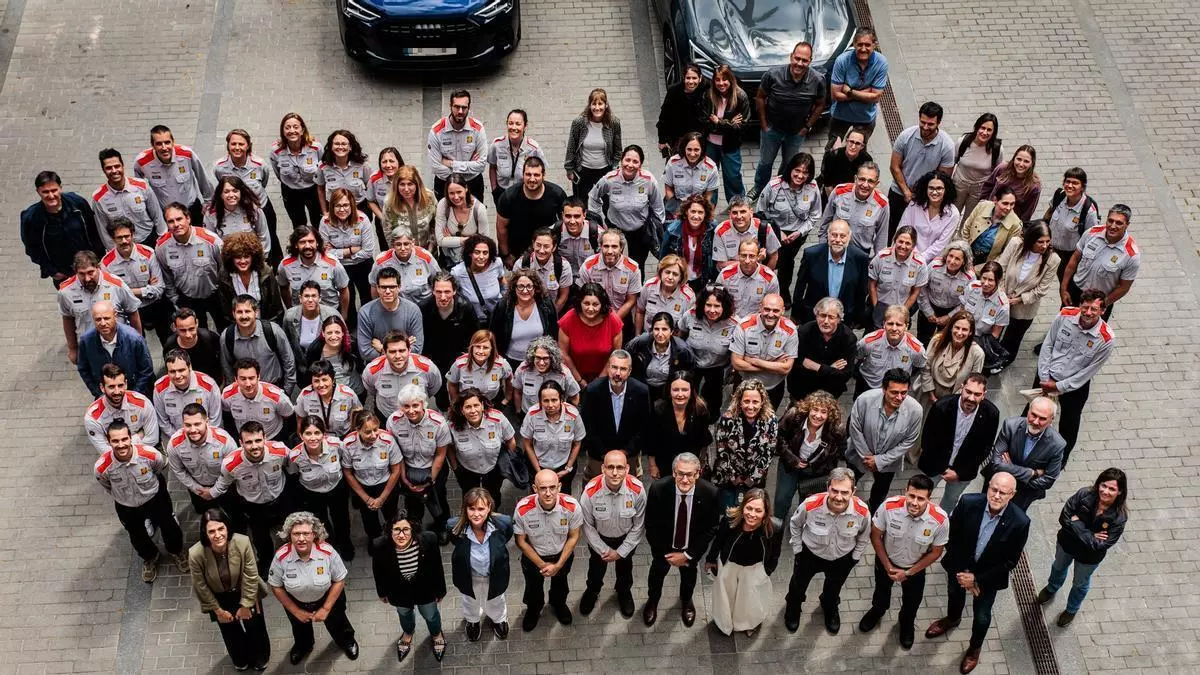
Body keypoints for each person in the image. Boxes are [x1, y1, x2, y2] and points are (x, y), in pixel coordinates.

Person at [924, 472, 1029, 675]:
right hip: (959, 568)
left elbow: (1010, 561)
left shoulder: (1020, 522)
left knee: (982, 616)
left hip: (987, 579)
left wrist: (976, 579)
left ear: (1012, 494)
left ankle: (974, 648)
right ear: (988, 486)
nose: (996, 496)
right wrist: (964, 573)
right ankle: (952, 619)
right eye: (994, 489)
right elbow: (951, 536)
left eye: (1003, 492)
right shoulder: (968, 502)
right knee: (954, 595)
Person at [859, 474, 949, 649]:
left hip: (915, 569)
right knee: (881, 592)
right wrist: (887, 566)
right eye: (911, 495)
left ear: (929, 498)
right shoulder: (889, 507)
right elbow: (875, 536)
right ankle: (877, 611)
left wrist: (908, 572)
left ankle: (906, 623)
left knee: (912, 602)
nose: (914, 502)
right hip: (886, 562)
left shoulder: (940, 520)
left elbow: (936, 552)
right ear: (905, 491)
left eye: (921, 499)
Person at [94, 421, 188, 581]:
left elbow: (158, 469)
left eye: (124, 439)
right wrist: (123, 496)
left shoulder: (150, 455)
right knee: (137, 535)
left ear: (130, 438)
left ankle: (176, 551)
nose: (121, 444)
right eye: (115, 441)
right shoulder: (102, 467)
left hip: (154, 498)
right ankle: (150, 557)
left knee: (169, 526)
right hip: (126, 505)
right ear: (108, 442)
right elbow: (107, 485)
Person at [783, 467, 870, 634]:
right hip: (809, 555)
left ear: (853, 491)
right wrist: (798, 549)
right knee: (797, 586)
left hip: (841, 558)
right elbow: (795, 523)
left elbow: (864, 536)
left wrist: (855, 557)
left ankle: (829, 607)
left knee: (834, 588)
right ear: (827, 487)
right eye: (834, 490)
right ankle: (793, 608)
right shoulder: (810, 505)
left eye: (845, 492)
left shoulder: (862, 512)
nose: (839, 497)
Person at [1037, 467, 1128, 627]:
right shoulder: (1084, 494)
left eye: (1112, 489)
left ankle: (1071, 609)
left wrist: (1077, 524)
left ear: (1119, 492)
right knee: (1058, 567)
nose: (1106, 491)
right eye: (1104, 485)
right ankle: (1052, 587)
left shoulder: (1119, 517)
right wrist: (1091, 535)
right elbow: (1064, 518)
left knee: (1080, 583)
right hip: (1067, 544)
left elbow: (1100, 545)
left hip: (1088, 557)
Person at [268, 511, 359, 665]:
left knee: (339, 622)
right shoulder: (281, 556)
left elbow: (339, 580)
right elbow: (276, 586)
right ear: (289, 535)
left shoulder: (327, 552)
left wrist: (326, 608)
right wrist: (296, 611)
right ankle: (303, 646)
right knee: (299, 627)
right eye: (296, 534)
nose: (301, 538)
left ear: (314, 534)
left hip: (327, 597)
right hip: (296, 601)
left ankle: (346, 641)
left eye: (306, 533)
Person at [1035, 292, 1114, 462]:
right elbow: (1048, 344)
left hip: (1074, 387)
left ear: (1102, 311)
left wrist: (1059, 387)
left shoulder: (1106, 339)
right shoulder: (1065, 315)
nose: (1088, 312)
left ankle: (1059, 461)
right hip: (1046, 376)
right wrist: (1044, 377)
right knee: (1033, 412)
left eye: (1094, 309)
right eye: (1085, 307)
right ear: (1080, 305)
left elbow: (1089, 371)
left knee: (1069, 425)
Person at [642, 452, 719, 627]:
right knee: (656, 576)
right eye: (680, 474)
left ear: (698, 473)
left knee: (689, 578)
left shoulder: (710, 493)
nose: (685, 480)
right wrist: (665, 554)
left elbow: (711, 527)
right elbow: (651, 524)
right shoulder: (658, 489)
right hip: (664, 549)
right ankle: (653, 601)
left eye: (690, 474)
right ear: (673, 473)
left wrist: (688, 555)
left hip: (690, 550)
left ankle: (686, 601)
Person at [188, 508, 270, 671]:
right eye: (211, 531)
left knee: (255, 626)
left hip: (245, 590)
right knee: (230, 631)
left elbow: (250, 575)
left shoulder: (242, 542)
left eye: (221, 529)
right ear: (205, 533)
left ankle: (261, 655)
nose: (217, 535)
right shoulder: (195, 554)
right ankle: (240, 658)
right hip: (219, 597)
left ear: (227, 527)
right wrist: (218, 611)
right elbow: (200, 585)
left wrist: (245, 605)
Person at [210, 421, 292, 575]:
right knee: (260, 539)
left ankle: (291, 559)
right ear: (241, 443)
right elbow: (224, 482)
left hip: (280, 499)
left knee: (291, 530)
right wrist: (210, 493)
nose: (254, 446)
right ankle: (267, 564)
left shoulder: (280, 451)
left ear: (265, 438)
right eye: (248, 442)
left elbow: (291, 468)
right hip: (254, 506)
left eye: (258, 440)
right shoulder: (231, 464)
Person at [750, 42, 827, 199]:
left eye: (804, 60)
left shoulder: (818, 80)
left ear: (810, 61)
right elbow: (760, 97)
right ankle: (759, 188)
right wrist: (764, 124)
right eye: (797, 58)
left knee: (789, 164)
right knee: (765, 162)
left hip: (796, 133)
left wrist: (807, 126)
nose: (799, 63)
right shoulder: (773, 75)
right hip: (772, 129)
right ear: (791, 57)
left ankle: (780, 188)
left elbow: (820, 105)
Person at [705, 488, 783, 636]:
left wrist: (768, 570)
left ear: (765, 512)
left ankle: (749, 623)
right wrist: (711, 559)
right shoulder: (730, 519)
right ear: (743, 507)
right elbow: (718, 541)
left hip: (754, 568)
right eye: (749, 508)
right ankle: (724, 622)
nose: (752, 514)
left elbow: (776, 552)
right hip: (729, 565)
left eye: (758, 510)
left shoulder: (776, 527)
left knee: (750, 598)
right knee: (726, 596)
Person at [579, 449, 646, 619]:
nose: (615, 472)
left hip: (626, 539)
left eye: (620, 467)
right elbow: (587, 526)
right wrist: (604, 550)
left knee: (625, 569)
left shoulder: (637, 490)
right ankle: (592, 591)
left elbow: (639, 525)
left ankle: (623, 592)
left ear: (627, 469)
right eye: (610, 467)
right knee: (595, 570)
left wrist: (621, 552)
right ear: (603, 468)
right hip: (599, 540)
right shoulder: (590, 492)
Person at [372, 513, 448, 663]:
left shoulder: (429, 539)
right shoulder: (380, 545)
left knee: (431, 614)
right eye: (396, 530)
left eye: (405, 529)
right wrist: (382, 592)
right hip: (398, 591)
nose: (401, 535)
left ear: (412, 529)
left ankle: (436, 634)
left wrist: (440, 590)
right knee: (404, 613)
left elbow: (437, 567)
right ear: (390, 530)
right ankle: (408, 632)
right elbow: (378, 571)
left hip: (424, 589)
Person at [513, 468, 583, 631]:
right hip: (534, 557)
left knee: (561, 584)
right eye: (543, 488)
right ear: (535, 488)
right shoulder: (523, 509)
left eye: (552, 487)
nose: (548, 493)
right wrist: (542, 564)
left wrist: (558, 565)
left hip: (561, 555)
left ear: (559, 487)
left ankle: (558, 604)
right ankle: (533, 609)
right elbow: (520, 541)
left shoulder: (572, 506)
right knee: (533, 587)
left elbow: (574, 536)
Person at [845, 368, 924, 513]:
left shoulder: (915, 410)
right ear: (883, 389)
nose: (899, 397)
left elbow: (909, 440)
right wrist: (867, 457)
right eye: (894, 392)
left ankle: (872, 509)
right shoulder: (864, 400)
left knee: (881, 490)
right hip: (858, 456)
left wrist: (880, 461)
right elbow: (855, 428)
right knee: (848, 483)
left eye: (904, 393)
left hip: (889, 463)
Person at [919, 374, 1001, 512]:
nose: (971, 398)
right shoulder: (941, 407)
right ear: (961, 388)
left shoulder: (991, 414)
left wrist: (959, 473)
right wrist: (943, 469)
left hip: (963, 470)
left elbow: (985, 449)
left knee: (951, 499)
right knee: (922, 494)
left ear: (984, 395)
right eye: (968, 392)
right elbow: (928, 441)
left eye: (977, 394)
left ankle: (941, 520)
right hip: (934, 464)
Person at [448, 487, 514, 641]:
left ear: (489, 507)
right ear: (465, 509)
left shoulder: (503, 524)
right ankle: (472, 620)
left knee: (496, 599)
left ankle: (499, 619)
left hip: (494, 575)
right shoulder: (454, 527)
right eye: (472, 509)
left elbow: (506, 537)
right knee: (470, 600)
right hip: (470, 576)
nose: (476, 514)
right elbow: (456, 543)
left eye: (481, 509)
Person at [586, 145, 666, 270]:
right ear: (621, 160)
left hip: (640, 231)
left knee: (637, 266)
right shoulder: (609, 179)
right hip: (615, 229)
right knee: (613, 263)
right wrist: (599, 221)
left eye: (635, 161)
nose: (630, 165)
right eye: (627, 160)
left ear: (640, 165)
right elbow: (593, 196)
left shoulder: (649, 181)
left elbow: (658, 206)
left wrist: (657, 229)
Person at [757, 152, 821, 305]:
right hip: (774, 231)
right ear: (790, 169)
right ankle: (764, 289)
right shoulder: (774, 186)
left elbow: (815, 214)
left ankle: (783, 290)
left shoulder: (812, 187)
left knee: (787, 262)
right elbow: (760, 211)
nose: (800, 176)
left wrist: (799, 233)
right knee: (770, 260)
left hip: (797, 234)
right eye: (797, 170)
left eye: (805, 172)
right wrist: (778, 232)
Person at [23, 170, 104, 287]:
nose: (51, 196)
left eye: (54, 190)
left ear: (60, 188)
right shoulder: (31, 218)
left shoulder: (77, 203)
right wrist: (52, 271)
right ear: (38, 192)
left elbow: (94, 231)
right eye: (45, 192)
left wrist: (99, 259)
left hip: (90, 268)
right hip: (63, 274)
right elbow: (32, 249)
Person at [578, 351, 651, 481]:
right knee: (595, 488)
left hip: (629, 456)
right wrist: (604, 454)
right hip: (599, 456)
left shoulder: (641, 391)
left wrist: (626, 452)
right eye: (614, 367)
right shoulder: (592, 390)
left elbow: (644, 427)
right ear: (608, 368)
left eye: (623, 369)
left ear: (629, 371)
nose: (617, 373)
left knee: (630, 488)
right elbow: (587, 426)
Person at [887, 102, 955, 239]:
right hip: (898, 193)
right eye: (922, 122)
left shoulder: (947, 146)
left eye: (930, 124)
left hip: (924, 198)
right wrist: (906, 192)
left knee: (915, 235)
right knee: (891, 230)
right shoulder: (906, 136)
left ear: (938, 123)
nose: (925, 127)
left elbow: (942, 178)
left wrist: (922, 195)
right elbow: (894, 166)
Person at [983, 398, 1066, 510]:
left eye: (1042, 418)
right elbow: (996, 463)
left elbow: (1047, 481)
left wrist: (1010, 470)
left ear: (1051, 420)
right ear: (1028, 411)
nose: (1036, 422)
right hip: (997, 485)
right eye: (1033, 415)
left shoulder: (1057, 444)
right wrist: (1032, 473)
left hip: (1022, 495)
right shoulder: (1010, 425)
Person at [773, 390, 846, 518]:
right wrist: (791, 458)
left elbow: (835, 456)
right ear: (808, 409)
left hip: (815, 472)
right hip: (789, 466)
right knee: (781, 501)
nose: (818, 415)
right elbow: (778, 437)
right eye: (815, 409)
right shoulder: (794, 416)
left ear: (829, 415)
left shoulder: (836, 430)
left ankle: (801, 525)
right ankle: (777, 525)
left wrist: (819, 471)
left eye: (823, 412)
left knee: (808, 506)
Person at [214, 129, 282, 265]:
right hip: (237, 211)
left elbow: (263, 182)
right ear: (228, 145)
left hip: (261, 208)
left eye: (241, 144)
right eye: (233, 144)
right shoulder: (219, 167)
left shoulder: (259, 164)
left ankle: (274, 267)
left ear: (248, 146)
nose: (237, 147)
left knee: (270, 238)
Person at [288, 417, 353, 557]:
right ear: (301, 435)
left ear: (324, 434)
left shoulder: (336, 445)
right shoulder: (295, 456)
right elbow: (294, 473)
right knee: (320, 522)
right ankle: (328, 547)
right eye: (308, 433)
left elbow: (345, 461)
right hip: (312, 493)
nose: (313, 438)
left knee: (341, 519)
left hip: (337, 488)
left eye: (317, 433)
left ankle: (345, 543)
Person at [709, 379, 779, 510]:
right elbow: (722, 450)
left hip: (755, 479)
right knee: (728, 513)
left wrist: (753, 478)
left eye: (755, 402)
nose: (750, 406)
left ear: (762, 402)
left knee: (750, 513)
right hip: (727, 477)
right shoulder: (727, 419)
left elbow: (769, 452)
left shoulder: (770, 420)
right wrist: (733, 477)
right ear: (739, 401)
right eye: (746, 401)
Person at [1060, 204, 1139, 320]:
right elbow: (1074, 259)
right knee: (1064, 323)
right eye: (1110, 221)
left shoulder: (1131, 254)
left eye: (1119, 223)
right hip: (1075, 291)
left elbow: (1124, 287)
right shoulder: (1091, 233)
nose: (1113, 226)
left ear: (1127, 224)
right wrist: (1064, 288)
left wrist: (1103, 304)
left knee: (1091, 330)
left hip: (1100, 301)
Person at [59, 250, 142, 359]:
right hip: (89, 348)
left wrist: (139, 342)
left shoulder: (116, 285)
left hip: (119, 345)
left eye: (90, 272)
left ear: (98, 268)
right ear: (75, 272)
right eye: (82, 274)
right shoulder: (65, 291)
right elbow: (67, 319)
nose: (87, 278)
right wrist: (73, 348)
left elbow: (133, 312)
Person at [996, 221, 1060, 358]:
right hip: (1001, 299)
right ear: (1031, 240)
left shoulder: (1053, 260)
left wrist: (1018, 300)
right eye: (1040, 242)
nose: (1044, 245)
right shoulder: (1015, 244)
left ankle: (1004, 360)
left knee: (1012, 340)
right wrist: (1002, 293)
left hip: (1024, 308)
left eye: (1047, 241)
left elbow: (1041, 289)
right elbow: (1001, 268)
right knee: (994, 333)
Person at [155, 203, 225, 329]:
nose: (176, 224)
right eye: (171, 221)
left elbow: (225, 269)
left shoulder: (211, 241)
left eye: (179, 219)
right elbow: (167, 276)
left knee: (224, 329)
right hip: (187, 299)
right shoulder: (162, 247)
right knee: (197, 334)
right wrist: (175, 300)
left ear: (188, 218)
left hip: (215, 295)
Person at [447, 388, 517, 507]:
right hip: (467, 470)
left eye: (476, 405)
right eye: (468, 407)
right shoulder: (452, 426)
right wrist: (455, 467)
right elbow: (449, 447)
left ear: (482, 406)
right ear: (462, 410)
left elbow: (511, 440)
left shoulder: (497, 418)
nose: (473, 411)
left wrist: (507, 463)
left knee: (494, 495)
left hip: (493, 468)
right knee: (470, 498)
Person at [343, 408, 404, 545]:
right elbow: (348, 472)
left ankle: (393, 539)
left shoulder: (387, 440)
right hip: (362, 486)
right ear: (358, 430)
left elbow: (396, 470)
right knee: (369, 520)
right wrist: (366, 498)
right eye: (367, 432)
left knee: (391, 516)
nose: (373, 435)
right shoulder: (348, 444)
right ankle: (375, 542)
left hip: (386, 484)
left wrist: (382, 498)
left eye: (375, 430)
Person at [168, 404, 241, 517]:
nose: (193, 430)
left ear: (207, 422)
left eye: (197, 424)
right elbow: (178, 470)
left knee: (232, 516)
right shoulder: (174, 444)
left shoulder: (225, 441)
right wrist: (197, 489)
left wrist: (214, 491)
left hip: (224, 487)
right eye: (188, 425)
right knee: (204, 515)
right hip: (197, 490)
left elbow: (232, 469)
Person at [794, 219, 871, 325]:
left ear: (849, 237)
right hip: (814, 317)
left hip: (844, 319)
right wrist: (796, 314)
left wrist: (858, 317)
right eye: (834, 235)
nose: (838, 240)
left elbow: (861, 291)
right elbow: (800, 287)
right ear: (828, 235)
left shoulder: (860, 258)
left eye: (842, 236)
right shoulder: (811, 255)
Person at [134, 125, 214, 225]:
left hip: (191, 210)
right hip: (165, 215)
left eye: (167, 142)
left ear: (173, 142)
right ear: (152, 145)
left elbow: (202, 178)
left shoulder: (187, 154)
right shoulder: (142, 162)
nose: (164, 148)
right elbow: (140, 188)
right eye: (159, 144)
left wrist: (208, 203)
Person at [319, 187, 376, 324]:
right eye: (337, 206)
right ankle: (350, 326)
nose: (342, 209)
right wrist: (350, 251)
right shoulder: (325, 222)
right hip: (340, 267)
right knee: (347, 299)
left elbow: (368, 251)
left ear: (352, 205)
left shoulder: (363, 220)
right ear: (332, 207)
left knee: (367, 297)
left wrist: (337, 252)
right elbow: (324, 253)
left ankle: (368, 324)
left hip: (363, 264)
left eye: (345, 205)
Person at [421, 272, 480, 406]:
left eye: (447, 291)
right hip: (435, 359)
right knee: (441, 395)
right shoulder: (423, 308)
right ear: (432, 291)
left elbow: (475, 336)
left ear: (454, 291)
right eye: (438, 292)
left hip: (459, 358)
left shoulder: (465, 307)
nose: (443, 297)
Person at [730, 293, 797, 408]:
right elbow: (736, 363)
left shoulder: (790, 330)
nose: (770, 314)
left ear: (783, 311)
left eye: (775, 311)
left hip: (773, 389)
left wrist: (754, 361)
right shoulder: (744, 326)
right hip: (745, 386)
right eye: (767, 309)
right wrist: (774, 365)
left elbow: (786, 368)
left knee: (768, 418)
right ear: (760, 308)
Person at [495, 157, 567, 264]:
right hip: (517, 253)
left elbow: (565, 223)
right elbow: (501, 228)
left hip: (546, 251)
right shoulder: (508, 197)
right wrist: (506, 255)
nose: (532, 179)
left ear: (543, 175)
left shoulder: (557, 195)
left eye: (536, 175)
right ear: (523, 175)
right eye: (528, 174)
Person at [826, 28, 889, 149]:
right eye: (860, 44)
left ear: (874, 45)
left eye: (867, 45)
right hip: (840, 116)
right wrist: (867, 93)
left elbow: (875, 97)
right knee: (832, 150)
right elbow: (836, 95)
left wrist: (849, 91)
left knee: (858, 151)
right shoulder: (842, 61)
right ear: (854, 44)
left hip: (865, 118)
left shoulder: (881, 63)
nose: (863, 49)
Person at [92, 149, 167, 249]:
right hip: (123, 246)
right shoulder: (99, 198)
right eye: (109, 168)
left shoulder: (142, 186)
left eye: (117, 166)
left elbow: (157, 215)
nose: (114, 171)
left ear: (123, 166)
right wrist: (114, 252)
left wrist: (162, 240)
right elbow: (103, 231)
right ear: (103, 170)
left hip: (148, 239)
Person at [76, 301, 154, 397]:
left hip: (133, 392)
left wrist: (134, 395)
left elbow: (146, 369)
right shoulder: (86, 341)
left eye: (106, 318)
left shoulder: (134, 339)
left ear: (115, 316)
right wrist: (98, 393)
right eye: (98, 319)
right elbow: (83, 369)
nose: (103, 323)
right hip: (105, 396)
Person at [220, 296, 297, 392]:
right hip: (245, 391)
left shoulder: (272, 331)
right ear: (233, 314)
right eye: (239, 312)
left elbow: (288, 361)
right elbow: (227, 367)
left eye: (247, 311)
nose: (244, 316)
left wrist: (287, 391)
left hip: (274, 389)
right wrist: (235, 392)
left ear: (256, 312)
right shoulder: (227, 336)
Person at [645, 371, 713, 481]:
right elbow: (652, 440)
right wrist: (653, 465)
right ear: (669, 390)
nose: (680, 394)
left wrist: (701, 462)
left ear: (691, 391)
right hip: (665, 464)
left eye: (684, 390)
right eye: (676, 390)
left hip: (690, 465)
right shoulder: (659, 409)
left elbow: (704, 440)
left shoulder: (700, 410)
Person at [681, 285, 736, 418]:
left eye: (717, 306)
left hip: (717, 368)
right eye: (708, 305)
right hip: (692, 364)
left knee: (713, 404)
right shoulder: (690, 316)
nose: (712, 310)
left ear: (724, 306)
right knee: (687, 399)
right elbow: (681, 336)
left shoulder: (734, 324)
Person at [521, 382, 586, 493]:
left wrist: (568, 468)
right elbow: (527, 444)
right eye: (546, 401)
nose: (550, 405)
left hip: (563, 467)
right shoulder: (532, 415)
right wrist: (539, 471)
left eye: (554, 400)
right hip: (539, 465)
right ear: (540, 401)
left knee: (564, 496)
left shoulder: (573, 415)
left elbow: (577, 443)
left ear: (561, 399)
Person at [787, 297, 855, 401]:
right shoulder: (804, 332)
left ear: (839, 319)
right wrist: (830, 369)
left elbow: (844, 375)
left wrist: (817, 367)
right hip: (802, 393)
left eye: (831, 317)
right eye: (822, 316)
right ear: (816, 316)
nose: (826, 321)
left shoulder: (848, 338)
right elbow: (796, 369)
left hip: (830, 394)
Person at [362, 331, 442, 419]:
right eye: (392, 352)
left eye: (402, 351)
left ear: (409, 350)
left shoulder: (427, 368)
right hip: (386, 417)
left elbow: (434, 387)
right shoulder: (372, 371)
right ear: (384, 352)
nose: (397, 356)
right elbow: (371, 390)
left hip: (417, 417)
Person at [700, 65, 751, 203]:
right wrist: (730, 124)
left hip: (730, 144)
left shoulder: (740, 96)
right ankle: (709, 207)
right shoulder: (708, 95)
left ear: (731, 80)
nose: (721, 83)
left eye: (724, 79)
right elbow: (704, 122)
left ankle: (737, 206)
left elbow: (742, 126)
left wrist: (719, 122)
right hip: (711, 144)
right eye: (717, 80)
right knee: (708, 177)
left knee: (733, 177)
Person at [817, 162, 890, 258]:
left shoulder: (882, 204)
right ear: (855, 179)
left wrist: (877, 262)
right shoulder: (839, 192)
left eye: (871, 181)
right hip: (834, 249)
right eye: (862, 179)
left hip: (860, 255)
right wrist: (822, 248)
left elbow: (881, 239)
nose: (865, 185)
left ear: (876, 183)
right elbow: (825, 222)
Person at [577, 229, 642, 335]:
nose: (610, 251)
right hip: (593, 316)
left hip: (622, 317)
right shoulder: (588, 266)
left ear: (621, 248)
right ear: (600, 246)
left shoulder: (632, 269)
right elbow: (582, 296)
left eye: (614, 246)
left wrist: (612, 321)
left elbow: (631, 300)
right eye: (606, 246)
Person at [490, 268, 559, 368]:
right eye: (520, 286)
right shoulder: (504, 306)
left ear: (535, 288)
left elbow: (554, 334)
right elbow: (493, 335)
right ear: (514, 288)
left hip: (539, 363)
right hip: (509, 362)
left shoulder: (546, 305)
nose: (525, 290)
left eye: (529, 286)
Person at [558, 283, 625, 384]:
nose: (590, 309)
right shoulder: (568, 319)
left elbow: (615, 354)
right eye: (586, 303)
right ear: (580, 302)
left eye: (595, 304)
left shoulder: (613, 320)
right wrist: (579, 380)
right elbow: (564, 354)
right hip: (573, 377)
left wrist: (599, 381)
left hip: (606, 377)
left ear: (602, 304)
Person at [427, 89, 487, 200]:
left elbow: (481, 165)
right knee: (444, 211)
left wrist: (451, 164)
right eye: (456, 107)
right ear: (450, 106)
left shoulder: (478, 129)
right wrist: (468, 167)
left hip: (473, 183)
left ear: (469, 107)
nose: (460, 111)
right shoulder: (436, 131)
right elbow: (435, 167)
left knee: (476, 211)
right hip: (444, 183)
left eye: (464, 108)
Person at [854, 305, 927, 395]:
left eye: (899, 325)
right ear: (884, 324)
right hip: (868, 386)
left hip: (896, 392)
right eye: (890, 324)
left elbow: (921, 367)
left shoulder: (916, 350)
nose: (894, 329)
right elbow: (857, 357)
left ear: (906, 326)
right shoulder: (868, 342)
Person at [277, 226, 350, 315]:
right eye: (302, 242)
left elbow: (343, 290)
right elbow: (283, 288)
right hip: (301, 315)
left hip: (330, 314)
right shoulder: (285, 265)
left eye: (311, 241)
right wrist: (290, 311)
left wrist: (343, 317)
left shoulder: (333, 264)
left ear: (317, 243)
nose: (307, 246)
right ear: (296, 245)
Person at [914, 311, 985, 401]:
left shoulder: (977, 354)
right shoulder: (937, 341)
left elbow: (972, 384)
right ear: (951, 327)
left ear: (970, 332)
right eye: (957, 328)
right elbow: (925, 367)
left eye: (964, 329)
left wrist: (949, 402)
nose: (959, 333)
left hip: (954, 399)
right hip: (928, 392)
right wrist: (931, 395)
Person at [83, 364, 157, 452]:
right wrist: (139, 436)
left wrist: (119, 446)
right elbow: (105, 451)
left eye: (120, 385)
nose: (117, 391)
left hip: (143, 455)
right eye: (111, 387)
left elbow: (152, 439)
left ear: (126, 384)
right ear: (102, 387)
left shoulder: (143, 404)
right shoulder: (93, 418)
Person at [625, 312, 696, 403]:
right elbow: (626, 355)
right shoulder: (642, 342)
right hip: (642, 387)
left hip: (667, 391)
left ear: (672, 331)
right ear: (652, 330)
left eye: (664, 329)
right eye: (656, 329)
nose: (660, 333)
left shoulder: (682, 350)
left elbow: (690, 372)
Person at [565, 88, 623, 199]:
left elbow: (618, 148)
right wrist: (569, 168)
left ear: (606, 105)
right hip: (583, 170)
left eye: (600, 104)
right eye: (594, 104)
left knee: (607, 202)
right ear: (589, 105)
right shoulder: (579, 123)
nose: (597, 108)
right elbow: (571, 146)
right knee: (582, 202)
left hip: (605, 170)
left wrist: (615, 168)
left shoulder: (614, 123)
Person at [217, 231, 285, 326]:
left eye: (246, 256)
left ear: (253, 256)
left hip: (264, 325)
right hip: (238, 327)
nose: (242, 261)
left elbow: (276, 308)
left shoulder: (266, 272)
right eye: (238, 257)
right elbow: (225, 311)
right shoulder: (224, 275)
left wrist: (270, 329)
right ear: (231, 258)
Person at [868, 225, 930, 328]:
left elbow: (915, 292)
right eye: (900, 241)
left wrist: (902, 312)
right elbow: (872, 284)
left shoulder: (920, 264)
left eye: (908, 243)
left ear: (913, 246)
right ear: (895, 241)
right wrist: (876, 307)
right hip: (880, 304)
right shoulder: (881, 257)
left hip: (902, 307)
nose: (903, 246)